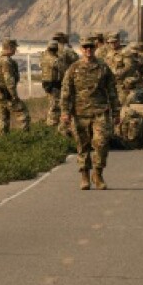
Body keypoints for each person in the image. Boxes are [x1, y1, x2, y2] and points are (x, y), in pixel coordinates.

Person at [61, 36, 120, 190]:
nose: (88, 50)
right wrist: (65, 112)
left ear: (95, 48)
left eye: (91, 47)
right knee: (83, 146)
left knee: (101, 143)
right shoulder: (73, 68)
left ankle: (98, 174)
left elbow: (112, 90)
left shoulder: (103, 67)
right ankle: (85, 176)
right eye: (85, 47)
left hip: (100, 112)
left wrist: (116, 112)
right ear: (81, 49)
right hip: (79, 113)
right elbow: (66, 92)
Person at [0, 38, 31, 134]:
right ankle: (25, 138)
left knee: (3, 119)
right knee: (24, 115)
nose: (15, 50)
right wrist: (14, 96)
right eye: (14, 48)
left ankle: (2, 139)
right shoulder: (6, 61)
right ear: (10, 47)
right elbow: (9, 80)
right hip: (6, 93)